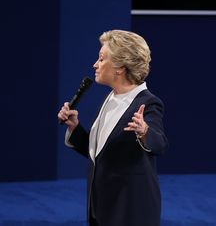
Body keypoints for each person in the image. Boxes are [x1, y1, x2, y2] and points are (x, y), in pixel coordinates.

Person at [57, 30, 169, 226]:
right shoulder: (110, 98)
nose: (95, 64)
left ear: (119, 67)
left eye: (101, 59)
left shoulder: (148, 103)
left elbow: (160, 143)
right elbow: (102, 153)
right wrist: (75, 128)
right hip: (102, 208)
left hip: (130, 211)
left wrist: (144, 132)